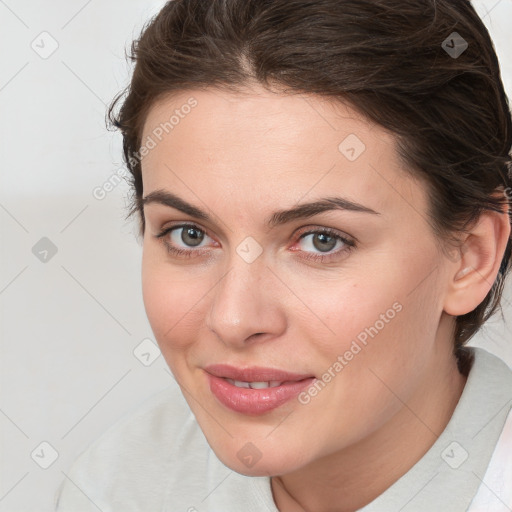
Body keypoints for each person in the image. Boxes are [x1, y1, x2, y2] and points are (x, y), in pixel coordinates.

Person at [54, 0, 512, 510]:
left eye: (322, 240)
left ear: (471, 256)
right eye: (188, 234)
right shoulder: (115, 486)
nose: (233, 319)